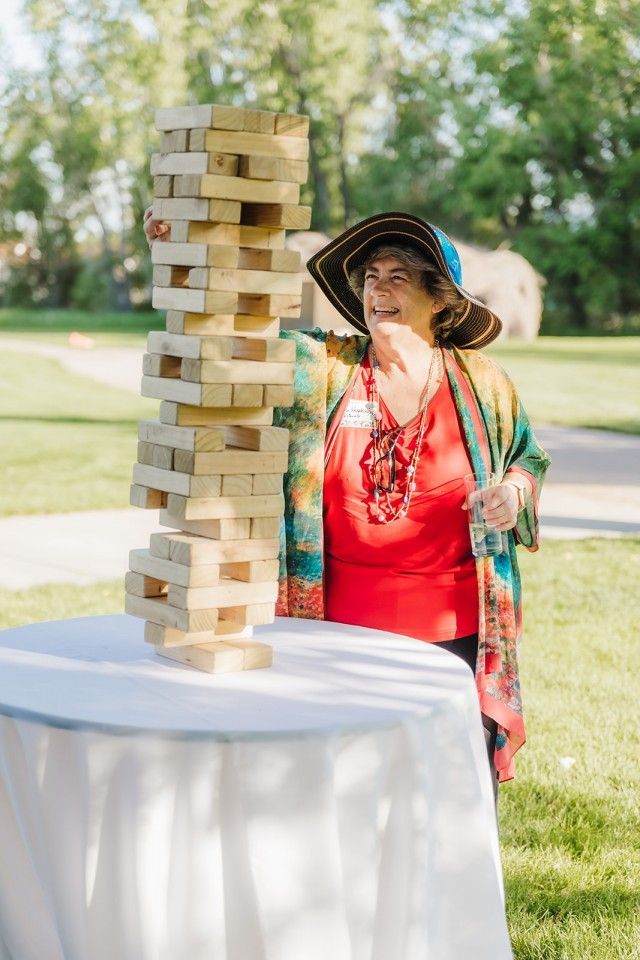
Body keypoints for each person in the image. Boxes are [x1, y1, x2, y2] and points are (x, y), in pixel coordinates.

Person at [144, 208, 551, 793]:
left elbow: (528, 458)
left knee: (444, 792)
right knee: (344, 793)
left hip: (452, 637)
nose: (377, 292)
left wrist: (514, 492)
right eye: (370, 278)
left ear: (440, 299)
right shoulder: (324, 369)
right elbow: (230, 335)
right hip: (336, 636)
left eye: (398, 278)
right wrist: (178, 254)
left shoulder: (483, 383)